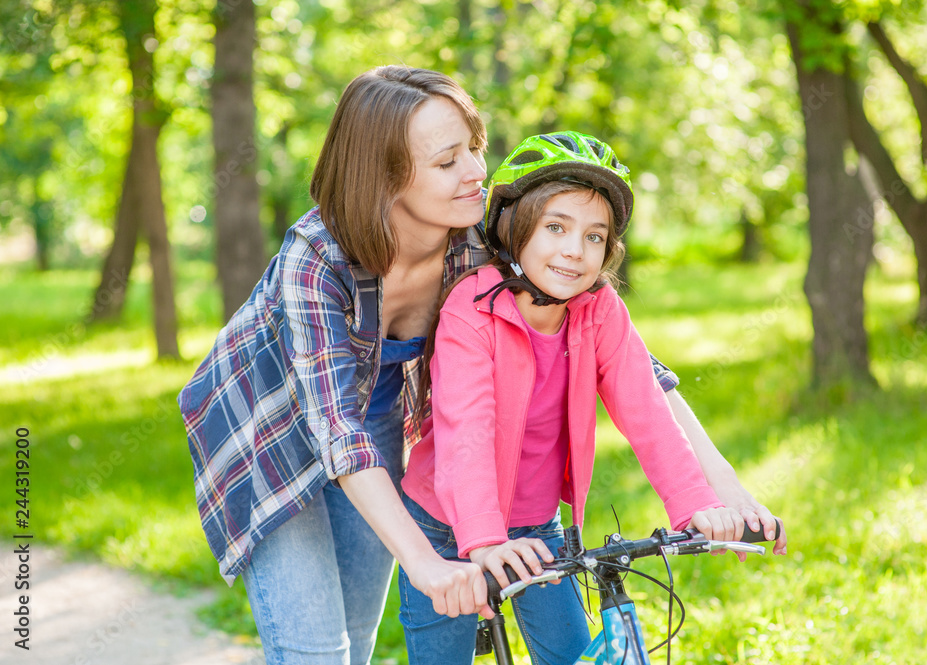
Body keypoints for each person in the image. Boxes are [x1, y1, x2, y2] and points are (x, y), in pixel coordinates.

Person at [178, 66, 783, 665]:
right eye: (447, 162)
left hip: (375, 417)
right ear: (384, 178)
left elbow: (636, 374)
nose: (475, 173)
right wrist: (431, 565)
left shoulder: (474, 243)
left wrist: (725, 493)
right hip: (267, 428)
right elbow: (337, 430)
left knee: (356, 644)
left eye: (472, 148)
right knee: (315, 651)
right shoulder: (317, 259)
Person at [396, 131, 766, 665]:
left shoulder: (600, 311)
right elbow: (466, 434)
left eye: (595, 237)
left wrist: (698, 504)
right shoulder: (471, 309)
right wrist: (483, 540)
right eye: (555, 228)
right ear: (513, 229)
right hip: (445, 523)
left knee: (573, 656)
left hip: (537, 524)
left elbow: (647, 411)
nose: (575, 250)